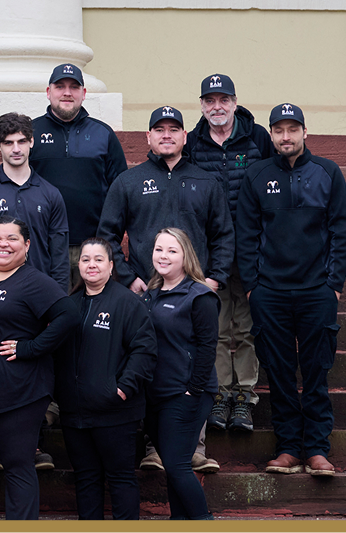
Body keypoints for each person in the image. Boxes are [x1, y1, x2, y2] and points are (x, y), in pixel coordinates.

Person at [97, 106, 232, 474]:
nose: (167, 135)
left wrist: (213, 279)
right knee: (149, 361)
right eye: (159, 129)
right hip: (145, 292)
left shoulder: (206, 182)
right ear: (149, 137)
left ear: (185, 137)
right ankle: (154, 446)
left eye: (174, 129)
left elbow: (223, 235)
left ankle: (195, 447)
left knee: (196, 359)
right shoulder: (129, 181)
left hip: (193, 293)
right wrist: (128, 278)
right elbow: (107, 235)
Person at [237, 103, 346, 477]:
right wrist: (254, 286)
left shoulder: (327, 172)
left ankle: (317, 449)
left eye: (293, 129)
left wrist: (333, 285)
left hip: (317, 290)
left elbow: (340, 231)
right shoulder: (256, 175)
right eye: (279, 130)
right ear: (270, 134)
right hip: (270, 291)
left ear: (305, 132)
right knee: (280, 372)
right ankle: (288, 448)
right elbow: (247, 236)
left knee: (317, 370)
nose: (286, 137)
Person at [0, 216, 79, 520]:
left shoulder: (33, 281)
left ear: (27, 245)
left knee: (18, 468)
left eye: (12, 239)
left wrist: (30, 347)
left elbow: (68, 316)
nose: (2, 244)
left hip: (17, 396)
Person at [186, 74, 275, 434]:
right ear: (203, 106)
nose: (217, 107)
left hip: (253, 249)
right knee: (219, 326)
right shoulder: (193, 141)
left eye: (224, 100)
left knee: (249, 326)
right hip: (210, 252)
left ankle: (245, 396)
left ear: (235, 103)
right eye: (210, 101)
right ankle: (221, 393)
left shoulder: (257, 138)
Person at [54, 237, 155, 520]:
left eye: (99, 259)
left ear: (112, 266)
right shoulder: (68, 305)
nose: (91, 265)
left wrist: (122, 389)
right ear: (78, 264)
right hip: (75, 414)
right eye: (85, 259)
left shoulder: (127, 303)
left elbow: (145, 351)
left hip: (115, 413)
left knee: (121, 479)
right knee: (86, 480)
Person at [140, 228, 218, 520]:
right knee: (175, 467)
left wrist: (192, 391)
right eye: (159, 249)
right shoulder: (149, 295)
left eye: (172, 251)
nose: (164, 256)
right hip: (155, 394)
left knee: (176, 465)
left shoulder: (199, 296)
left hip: (185, 393)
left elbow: (208, 347)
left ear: (186, 256)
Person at [29, 63, 127, 287]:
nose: (66, 92)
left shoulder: (103, 134)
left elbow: (121, 191)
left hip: (92, 247)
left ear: (83, 94)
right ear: (48, 92)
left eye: (74, 87)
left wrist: (110, 238)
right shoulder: (31, 132)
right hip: (43, 246)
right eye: (60, 86)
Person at [0, 112, 69, 289]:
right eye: (8, 143)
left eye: (22, 141)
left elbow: (59, 255)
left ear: (31, 142)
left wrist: (58, 299)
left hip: (38, 290)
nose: (16, 149)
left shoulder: (51, 194)